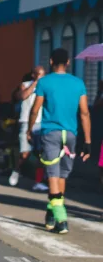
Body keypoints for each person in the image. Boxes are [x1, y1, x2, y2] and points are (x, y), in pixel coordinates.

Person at [27, 48, 92, 234]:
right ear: (69, 62)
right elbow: (85, 112)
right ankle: (52, 212)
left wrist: (29, 129)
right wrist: (87, 140)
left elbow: (35, 108)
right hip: (71, 134)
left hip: (50, 133)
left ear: (51, 61)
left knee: (53, 174)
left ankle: (61, 218)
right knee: (61, 175)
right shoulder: (78, 83)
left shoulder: (45, 82)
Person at [9, 67, 48, 190]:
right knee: (25, 153)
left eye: (43, 75)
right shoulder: (25, 85)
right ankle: (16, 170)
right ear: (33, 75)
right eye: (39, 75)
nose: (41, 77)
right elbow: (23, 96)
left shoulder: (47, 87)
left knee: (41, 154)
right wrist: (36, 83)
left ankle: (38, 181)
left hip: (42, 122)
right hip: (26, 121)